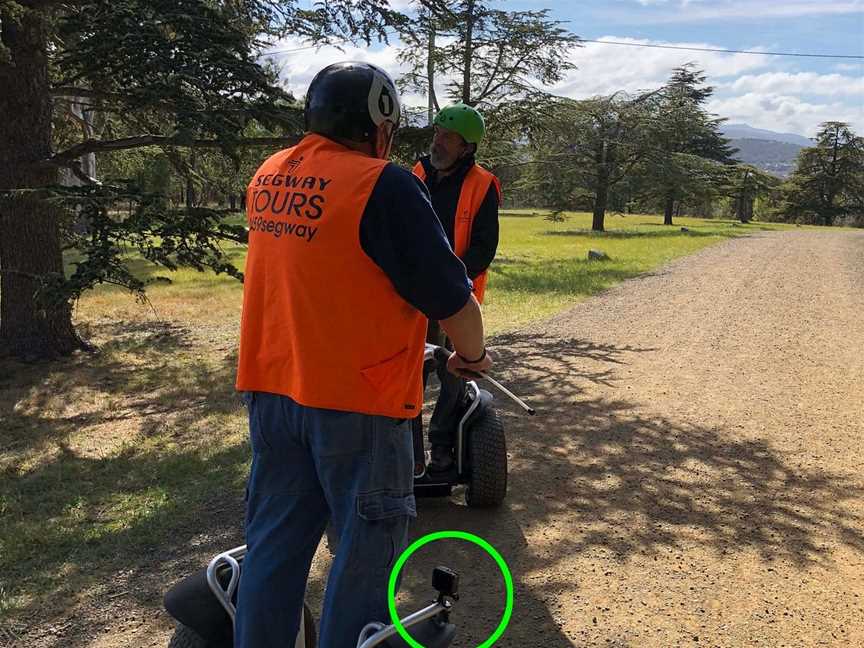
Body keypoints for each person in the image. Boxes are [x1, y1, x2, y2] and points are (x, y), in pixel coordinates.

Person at [233, 62, 493, 648]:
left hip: (274, 396)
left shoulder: (270, 174)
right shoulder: (384, 182)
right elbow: (452, 299)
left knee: (274, 543)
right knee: (365, 551)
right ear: (379, 125)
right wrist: (471, 356)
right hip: (359, 404)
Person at [412, 103, 501, 472]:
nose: (439, 142)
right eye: (437, 134)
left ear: (467, 147)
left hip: (453, 297)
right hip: (411, 295)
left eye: (448, 137)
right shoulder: (417, 173)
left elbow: (484, 246)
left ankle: (442, 445)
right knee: (407, 370)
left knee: (453, 374)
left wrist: (450, 283)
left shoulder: (483, 184)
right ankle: (405, 445)